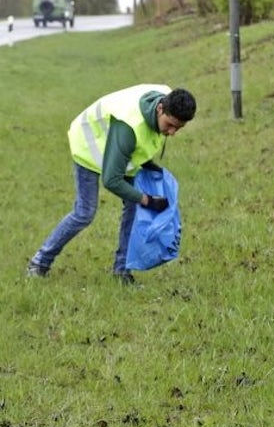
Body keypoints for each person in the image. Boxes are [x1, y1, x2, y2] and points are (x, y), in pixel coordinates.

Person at [27, 84, 197, 283]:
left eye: (179, 128)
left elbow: (141, 143)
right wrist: (147, 200)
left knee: (133, 206)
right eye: (170, 125)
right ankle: (39, 262)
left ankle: (121, 271)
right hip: (90, 147)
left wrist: (149, 167)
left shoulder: (168, 99)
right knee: (84, 213)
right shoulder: (129, 127)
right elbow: (111, 180)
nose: (173, 132)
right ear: (160, 109)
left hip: (119, 150)